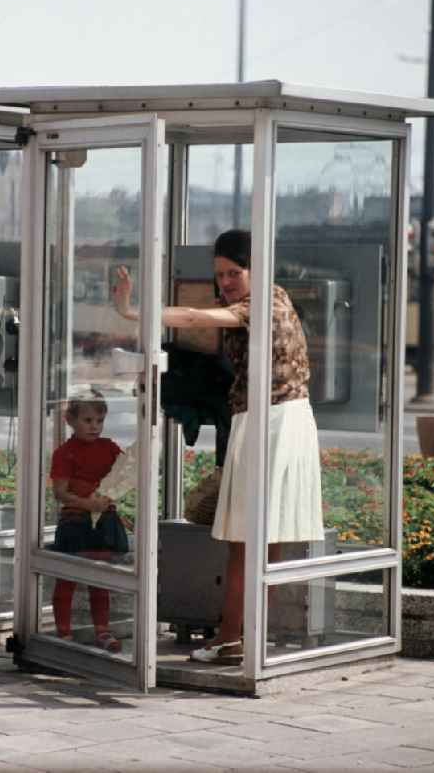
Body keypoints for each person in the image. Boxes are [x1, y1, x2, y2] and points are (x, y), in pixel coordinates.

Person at [113, 229, 323, 664]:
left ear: (256, 269)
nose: (226, 282)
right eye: (220, 274)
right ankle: (247, 637)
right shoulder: (277, 296)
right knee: (266, 540)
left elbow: (195, 319)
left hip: (268, 422)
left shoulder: (258, 304)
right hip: (290, 419)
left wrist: (133, 312)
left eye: (235, 272)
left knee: (244, 542)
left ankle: (231, 641)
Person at [50, 389, 125, 653]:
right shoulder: (65, 453)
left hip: (102, 523)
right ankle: (63, 631)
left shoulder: (109, 448)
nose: (94, 427)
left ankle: (102, 630)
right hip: (74, 523)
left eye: (99, 421)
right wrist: (88, 503)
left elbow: (126, 472)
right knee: (66, 578)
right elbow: (60, 493)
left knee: (99, 579)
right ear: (70, 421)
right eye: (88, 420)